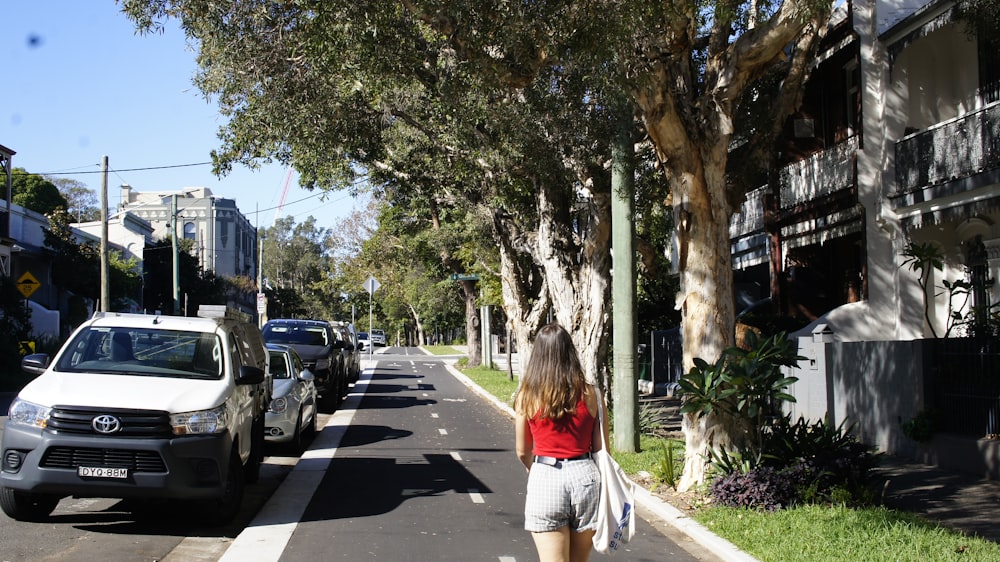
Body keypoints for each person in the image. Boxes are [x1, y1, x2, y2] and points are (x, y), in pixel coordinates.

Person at [514, 323, 606, 562]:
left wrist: (535, 470)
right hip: (585, 476)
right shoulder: (592, 394)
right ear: (570, 353)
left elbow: (522, 450)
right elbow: (602, 449)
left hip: (545, 474)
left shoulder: (527, 395)